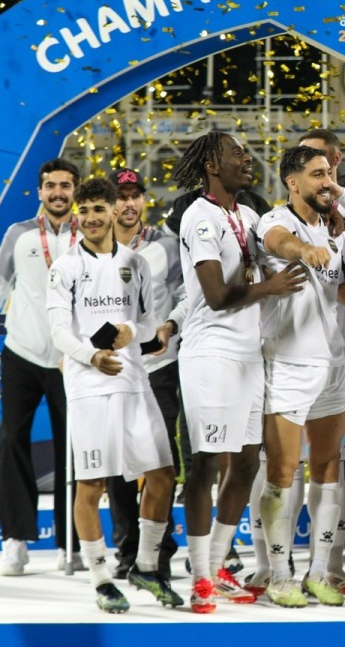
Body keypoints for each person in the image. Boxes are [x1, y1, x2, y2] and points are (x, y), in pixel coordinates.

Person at [173, 131, 306, 613]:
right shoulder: (198, 217)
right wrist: (269, 287)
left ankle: (218, 563)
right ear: (212, 163)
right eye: (236, 154)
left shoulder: (248, 215)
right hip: (211, 354)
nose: (246, 160)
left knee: (247, 462)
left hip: (250, 354)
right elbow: (216, 295)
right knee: (207, 461)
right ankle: (200, 577)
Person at [46, 177, 181, 612]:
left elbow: (149, 323)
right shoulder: (64, 267)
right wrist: (90, 356)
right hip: (88, 386)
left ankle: (144, 564)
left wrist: (131, 332)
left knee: (162, 475)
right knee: (91, 485)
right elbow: (58, 332)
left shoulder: (136, 263)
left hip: (134, 379)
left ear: (111, 212)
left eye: (98, 209)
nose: (90, 218)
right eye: (83, 211)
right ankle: (102, 577)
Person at [254, 145, 345, 608]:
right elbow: (281, 245)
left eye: (331, 173)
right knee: (283, 472)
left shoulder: (328, 229)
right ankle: (280, 574)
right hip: (287, 365)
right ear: (292, 182)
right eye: (317, 174)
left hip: (333, 364)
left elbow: (342, 291)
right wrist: (306, 250)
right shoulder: (274, 222)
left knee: (330, 467)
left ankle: (319, 570)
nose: (327, 181)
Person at [0, 157, 82, 574]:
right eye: (51, 185)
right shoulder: (18, 235)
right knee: (12, 439)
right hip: (21, 353)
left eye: (65, 186)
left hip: (71, 360)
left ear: (75, 191)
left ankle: (73, 543)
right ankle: (15, 540)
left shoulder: (86, 236)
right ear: (39, 190)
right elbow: (0, 286)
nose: (58, 193)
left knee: (74, 448)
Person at [105, 168, 186, 579]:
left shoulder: (165, 246)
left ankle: (160, 550)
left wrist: (170, 325)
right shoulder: (92, 247)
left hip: (159, 366)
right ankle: (126, 549)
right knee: (119, 462)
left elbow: (187, 294)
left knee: (159, 461)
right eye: (121, 197)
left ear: (144, 201)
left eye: (135, 196)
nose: (129, 204)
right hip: (113, 369)